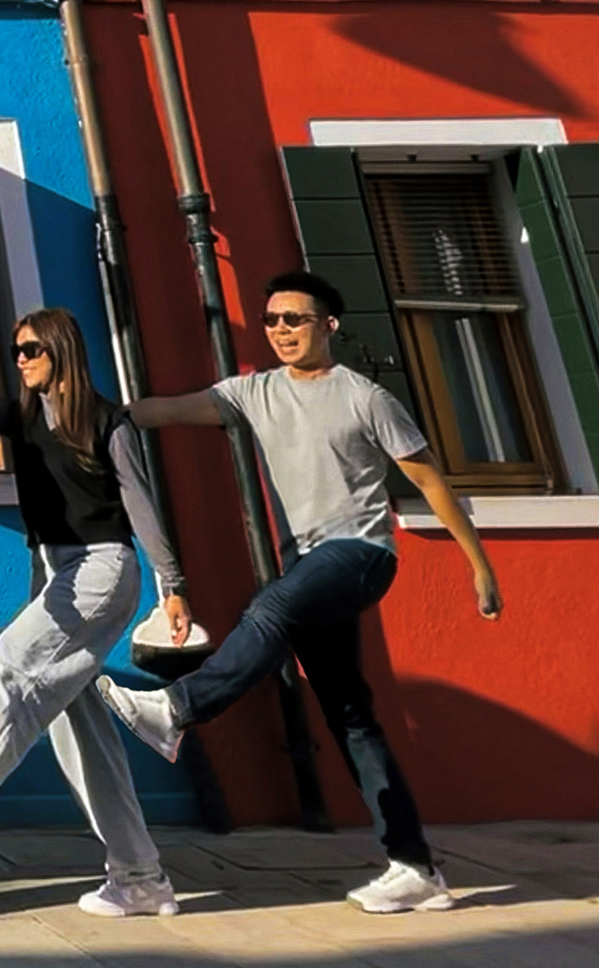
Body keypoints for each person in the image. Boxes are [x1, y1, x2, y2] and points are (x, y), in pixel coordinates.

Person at [95, 269, 503, 915]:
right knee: (349, 713)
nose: (281, 330)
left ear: (329, 325)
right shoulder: (252, 392)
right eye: (272, 320)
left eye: (296, 318)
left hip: (361, 555)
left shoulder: (365, 396)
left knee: (272, 606)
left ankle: (177, 709)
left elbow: (429, 482)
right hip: (308, 562)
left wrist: (478, 566)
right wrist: (97, 414)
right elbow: (162, 410)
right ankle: (415, 866)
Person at [0, 306, 191, 920]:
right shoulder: (22, 418)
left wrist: (174, 585)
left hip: (100, 570)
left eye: (31, 350)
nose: (20, 360)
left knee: (14, 659)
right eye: (16, 350)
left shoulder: (108, 422)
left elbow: (141, 506)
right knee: (81, 734)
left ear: (60, 351)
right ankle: (140, 876)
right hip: (53, 571)